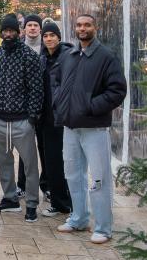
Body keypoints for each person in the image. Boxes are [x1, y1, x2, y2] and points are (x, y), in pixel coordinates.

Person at [53, 15, 126, 244]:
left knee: (99, 179)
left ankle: (103, 227)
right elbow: (56, 80)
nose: (82, 28)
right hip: (70, 127)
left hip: (94, 128)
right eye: (78, 25)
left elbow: (117, 90)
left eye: (87, 25)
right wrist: (59, 100)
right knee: (73, 175)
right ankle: (79, 218)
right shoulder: (69, 55)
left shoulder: (106, 56)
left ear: (95, 28)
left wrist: (90, 106)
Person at [0, 14, 43, 223]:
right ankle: (10, 198)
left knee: (29, 165)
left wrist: (32, 117)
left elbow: (36, 89)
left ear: (18, 32)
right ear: (2, 33)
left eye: (12, 31)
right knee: (3, 163)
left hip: (22, 121)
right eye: (6, 31)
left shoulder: (29, 56)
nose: (9, 34)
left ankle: (31, 204)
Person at [38, 21, 73, 218]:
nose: (49, 39)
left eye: (52, 35)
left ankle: (70, 201)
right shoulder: (43, 58)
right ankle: (60, 202)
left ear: (59, 37)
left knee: (68, 162)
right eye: (46, 36)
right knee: (52, 162)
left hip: (64, 118)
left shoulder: (69, 57)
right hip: (47, 119)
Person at [16, 14, 48, 200]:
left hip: (45, 108)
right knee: (24, 150)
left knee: (45, 149)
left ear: (41, 29)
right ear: (24, 29)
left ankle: (46, 184)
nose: (33, 28)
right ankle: (22, 184)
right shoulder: (19, 48)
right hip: (23, 107)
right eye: (30, 25)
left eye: (36, 25)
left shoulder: (47, 48)